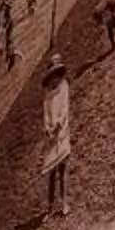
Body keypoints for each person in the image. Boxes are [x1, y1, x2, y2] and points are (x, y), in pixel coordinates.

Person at [43, 52, 73, 219]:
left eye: (57, 74)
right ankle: (49, 206)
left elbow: (64, 109)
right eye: (52, 75)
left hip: (62, 132)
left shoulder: (64, 87)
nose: (55, 79)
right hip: (51, 137)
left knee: (63, 169)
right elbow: (46, 114)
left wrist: (59, 125)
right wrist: (48, 128)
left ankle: (64, 202)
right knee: (51, 172)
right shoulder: (48, 95)